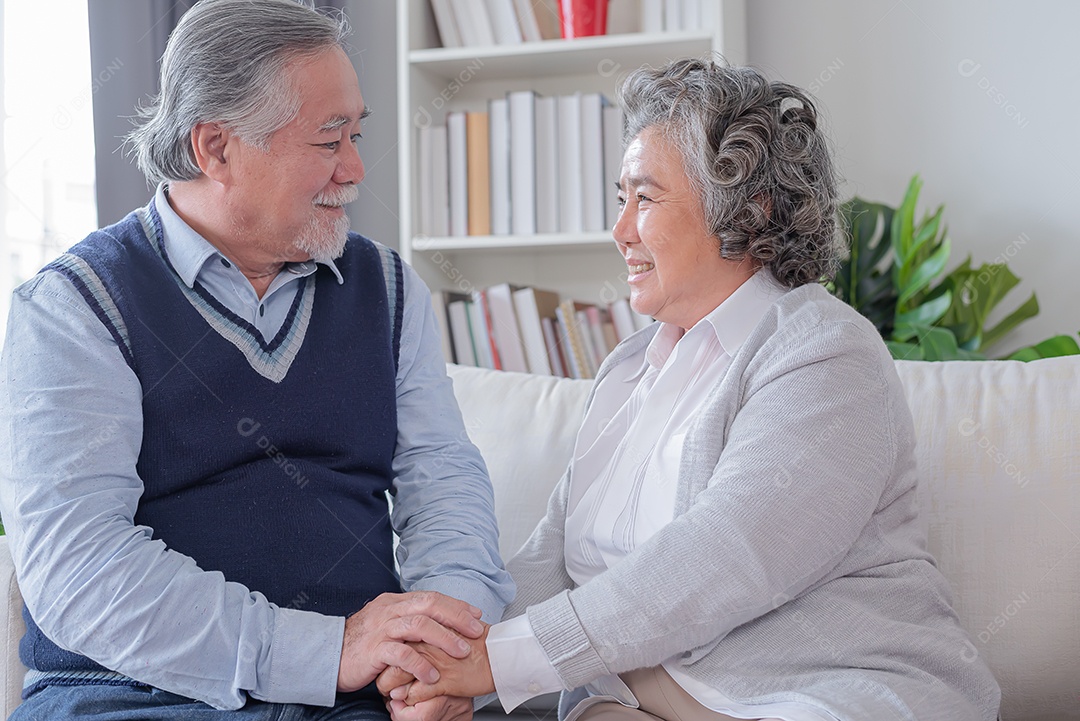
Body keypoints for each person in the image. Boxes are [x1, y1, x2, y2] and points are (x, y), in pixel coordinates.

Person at [375, 58, 1002, 721]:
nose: (619, 230)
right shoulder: (628, 369)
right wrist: (441, 663)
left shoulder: (825, 350)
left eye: (645, 198)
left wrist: (497, 661)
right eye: (621, 198)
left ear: (748, 207)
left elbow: (727, 553)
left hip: (815, 695)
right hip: (627, 702)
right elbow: (551, 558)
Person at [0, 1, 513, 719]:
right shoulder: (72, 307)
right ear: (215, 149)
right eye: (329, 140)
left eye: (356, 133)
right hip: (131, 698)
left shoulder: (389, 288)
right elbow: (81, 571)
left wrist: (440, 651)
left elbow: (445, 485)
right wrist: (324, 650)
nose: (357, 168)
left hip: (362, 700)